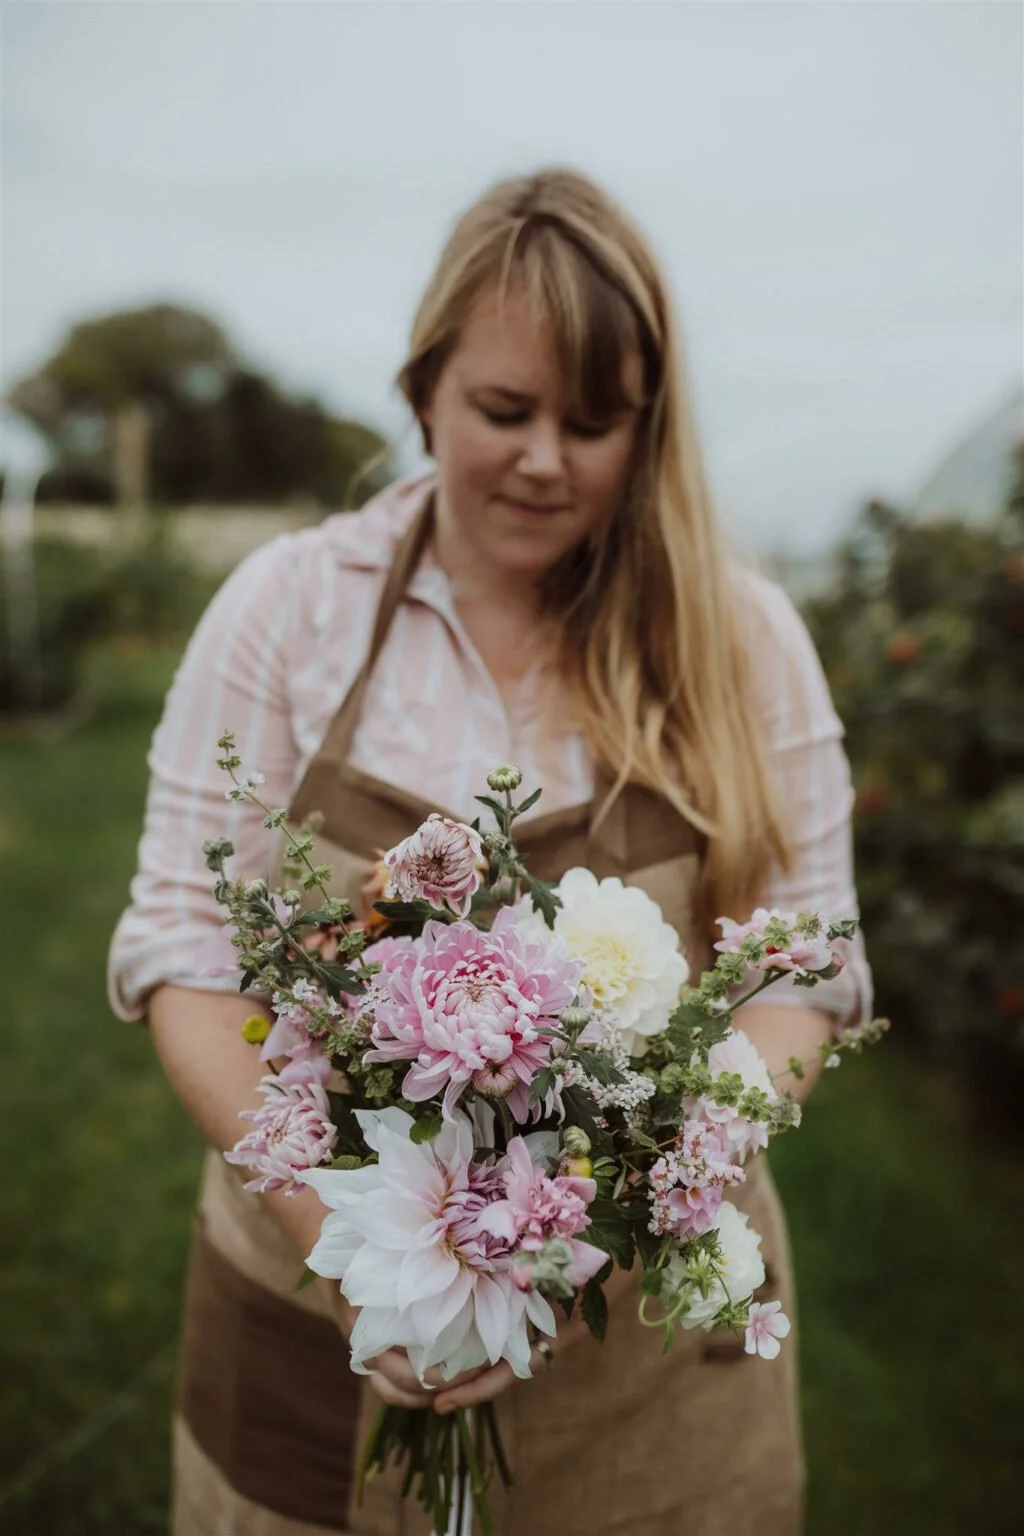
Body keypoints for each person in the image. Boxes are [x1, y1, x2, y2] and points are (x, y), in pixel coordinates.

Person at [108, 166, 873, 1536]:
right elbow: (183, 946)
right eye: (505, 410)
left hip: (644, 1371)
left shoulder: (739, 640)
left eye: (593, 422)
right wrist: (357, 1262)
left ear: (649, 424)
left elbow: (806, 968)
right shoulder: (290, 610)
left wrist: (620, 1203)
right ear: (424, 393)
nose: (544, 460)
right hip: (315, 1318)